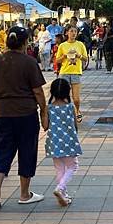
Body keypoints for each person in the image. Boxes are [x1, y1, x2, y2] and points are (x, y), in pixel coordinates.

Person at [0, 26, 48, 208]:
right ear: (25, 42)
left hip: (3, 112)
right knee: (27, 151)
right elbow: (38, 92)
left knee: (3, 150)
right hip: (26, 113)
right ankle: (24, 194)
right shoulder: (29, 62)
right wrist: (44, 112)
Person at [45, 78, 82, 207]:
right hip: (68, 141)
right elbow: (75, 126)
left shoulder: (49, 108)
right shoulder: (70, 107)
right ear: (68, 91)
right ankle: (60, 188)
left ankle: (64, 195)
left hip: (53, 142)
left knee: (59, 168)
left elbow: (45, 126)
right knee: (73, 166)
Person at [56, 26, 88, 122]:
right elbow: (57, 60)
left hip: (76, 72)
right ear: (67, 33)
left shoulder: (80, 44)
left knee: (76, 98)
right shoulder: (62, 45)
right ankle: (65, 114)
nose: (73, 33)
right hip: (64, 72)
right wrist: (64, 56)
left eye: (75, 31)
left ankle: (77, 110)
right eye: (71, 31)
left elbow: (86, 58)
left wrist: (79, 56)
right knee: (63, 96)